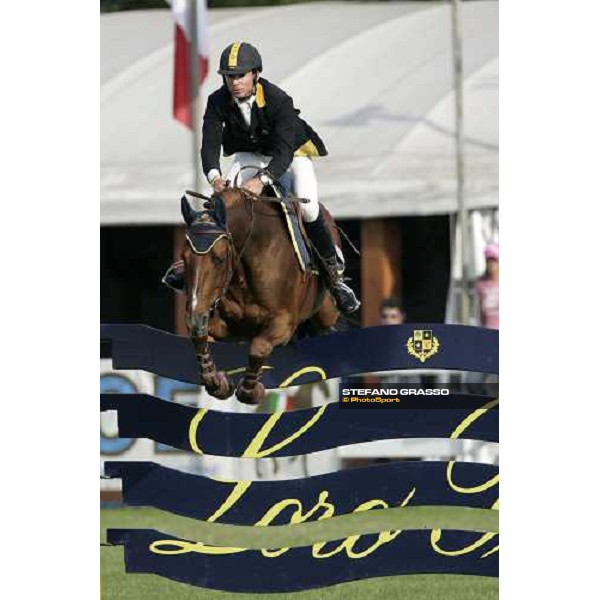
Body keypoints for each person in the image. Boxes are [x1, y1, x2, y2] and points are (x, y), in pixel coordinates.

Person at [199, 41, 360, 315]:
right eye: (229, 76)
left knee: (308, 208)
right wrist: (215, 178)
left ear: (255, 75)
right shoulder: (217, 101)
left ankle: (334, 276)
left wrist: (261, 181)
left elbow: (284, 152)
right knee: (225, 206)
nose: (234, 82)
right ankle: (205, 271)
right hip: (250, 155)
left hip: (291, 155)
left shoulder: (278, 99)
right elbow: (210, 144)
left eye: (240, 75)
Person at [475, 243, 499, 330]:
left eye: (495, 261)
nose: (492, 265)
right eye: (489, 261)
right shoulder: (481, 283)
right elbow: (480, 311)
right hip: (488, 330)